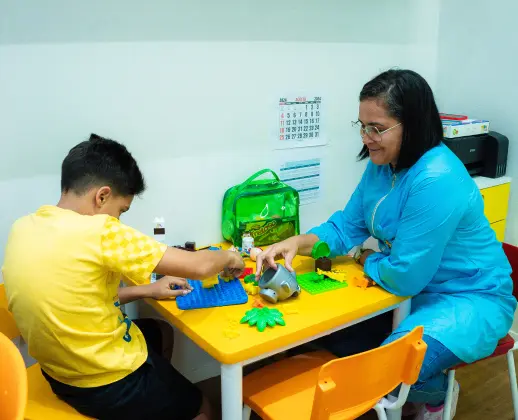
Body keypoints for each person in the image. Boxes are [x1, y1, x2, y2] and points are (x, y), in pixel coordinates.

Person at [255, 69, 516, 420]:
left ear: (413, 124)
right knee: (332, 341)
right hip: (408, 290)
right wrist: (298, 242)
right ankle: (415, 393)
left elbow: (405, 275)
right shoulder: (383, 165)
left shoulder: (438, 178)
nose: (366, 138)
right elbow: (347, 226)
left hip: (468, 299)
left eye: (376, 128)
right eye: (362, 126)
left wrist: (366, 259)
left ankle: (437, 389)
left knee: (384, 373)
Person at [2, 134, 245, 420]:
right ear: (102, 196)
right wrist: (230, 257)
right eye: (121, 210)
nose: (118, 219)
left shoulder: (23, 227)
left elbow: (76, 298)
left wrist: (148, 290)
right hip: (107, 382)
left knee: (159, 331)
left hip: (58, 373)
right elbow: (199, 267)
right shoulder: (101, 230)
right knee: (203, 407)